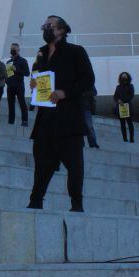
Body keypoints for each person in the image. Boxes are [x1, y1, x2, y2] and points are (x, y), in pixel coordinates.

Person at [26, 15, 95, 212]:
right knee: (41, 164)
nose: (45, 29)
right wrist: (34, 84)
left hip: (68, 119)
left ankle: (76, 204)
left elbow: (88, 79)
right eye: (44, 25)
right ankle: (35, 201)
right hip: (45, 119)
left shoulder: (75, 52)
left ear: (61, 30)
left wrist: (65, 92)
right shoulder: (41, 54)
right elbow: (38, 78)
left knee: (74, 165)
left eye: (49, 26)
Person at [6, 43, 30, 127]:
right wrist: (6, 81)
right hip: (10, 87)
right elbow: (8, 74)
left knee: (22, 103)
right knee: (10, 104)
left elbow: (27, 73)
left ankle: (25, 121)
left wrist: (17, 69)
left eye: (14, 49)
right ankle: (11, 121)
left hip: (19, 86)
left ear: (18, 50)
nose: (12, 50)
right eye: (11, 48)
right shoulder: (9, 62)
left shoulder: (23, 61)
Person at [114, 72, 136, 143]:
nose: (124, 77)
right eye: (122, 76)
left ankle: (131, 138)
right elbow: (115, 96)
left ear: (127, 77)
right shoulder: (118, 87)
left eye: (125, 76)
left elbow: (131, 95)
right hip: (120, 108)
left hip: (128, 107)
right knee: (122, 124)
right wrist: (118, 100)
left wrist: (123, 100)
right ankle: (125, 138)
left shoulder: (130, 86)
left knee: (130, 123)